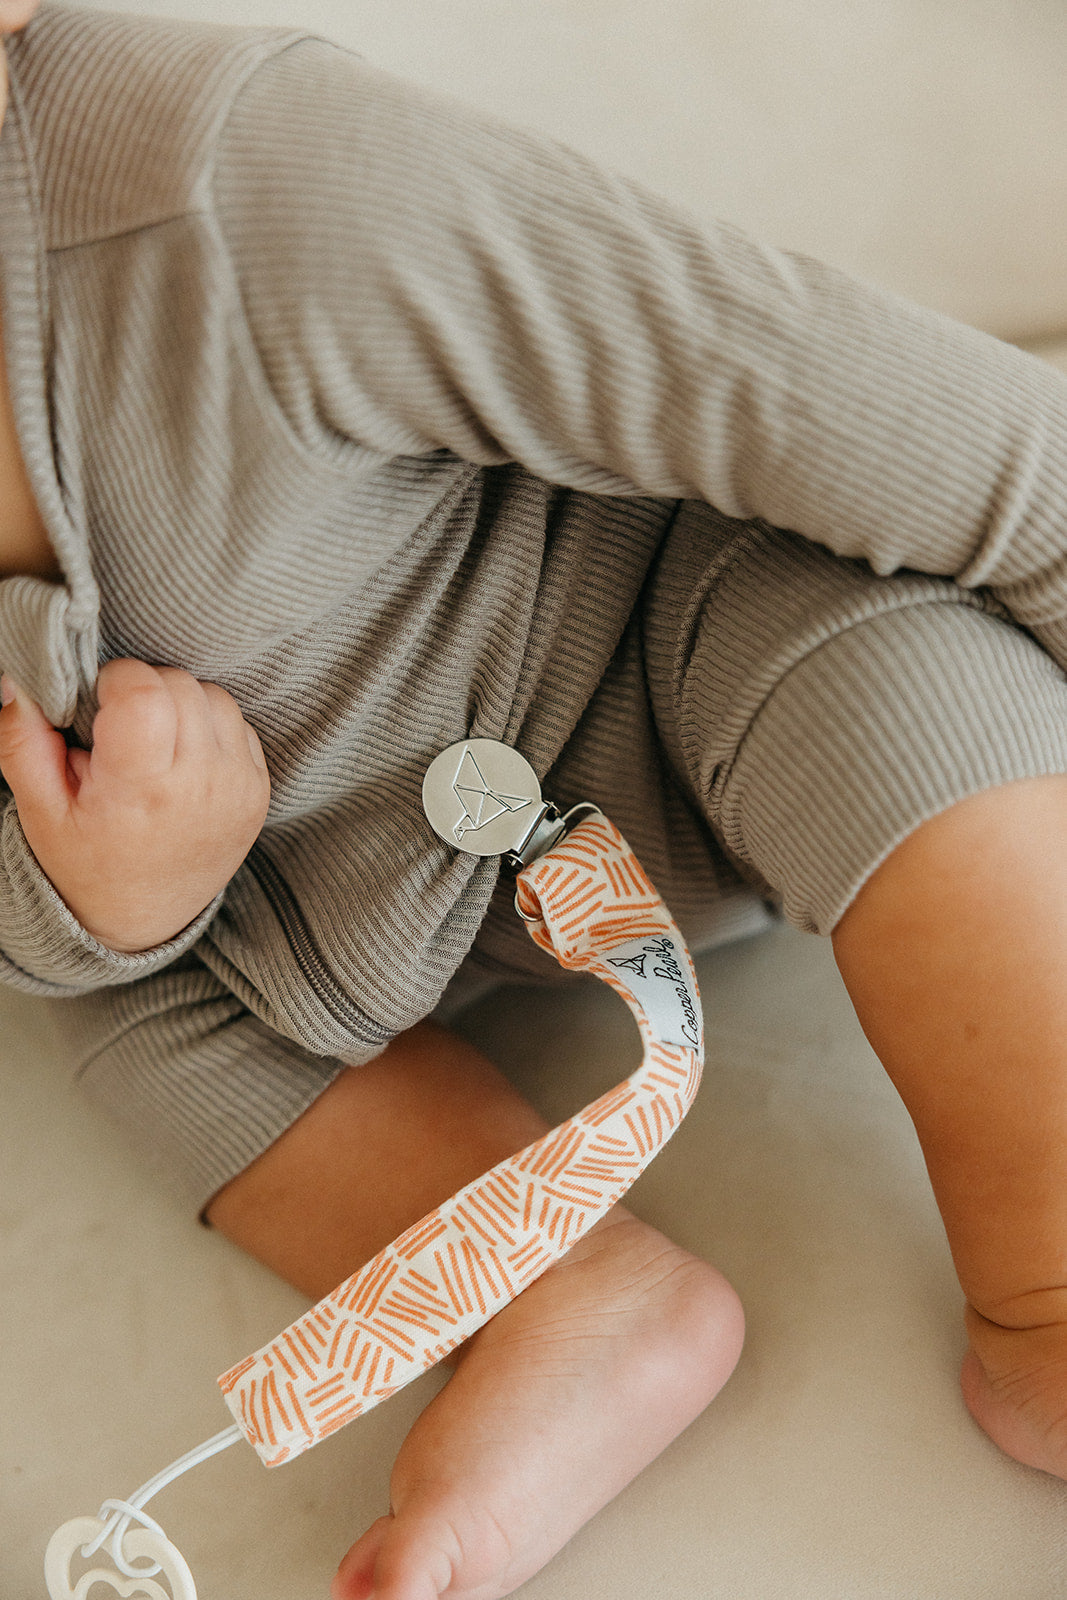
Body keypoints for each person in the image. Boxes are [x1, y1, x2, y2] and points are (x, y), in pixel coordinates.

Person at [2, 2, 1067, 1595]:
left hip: (685, 635)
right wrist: (106, 904)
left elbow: (852, 408)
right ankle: (559, 1294)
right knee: (122, 1018)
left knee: (913, 703)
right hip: (309, 912)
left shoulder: (250, 189)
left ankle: (1051, 1287)